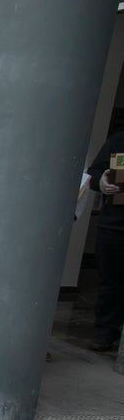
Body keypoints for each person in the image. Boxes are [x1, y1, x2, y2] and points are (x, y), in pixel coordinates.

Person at [87, 129, 124, 351]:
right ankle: (105, 331)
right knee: (110, 282)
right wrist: (103, 182)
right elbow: (94, 172)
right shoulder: (119, 141)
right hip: (114, 225)